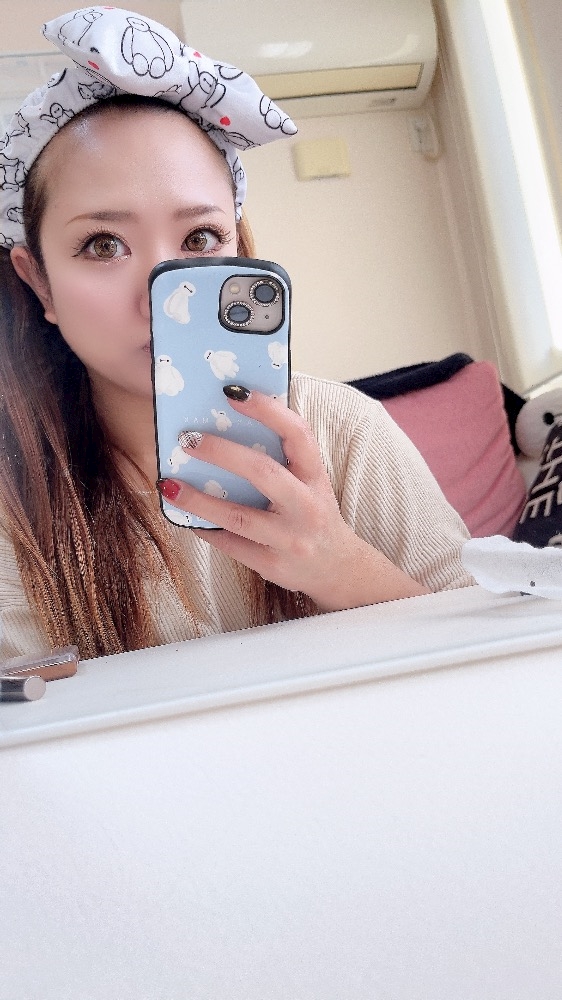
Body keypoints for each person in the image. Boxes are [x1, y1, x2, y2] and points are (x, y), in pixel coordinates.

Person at [0, 6, 473, 662]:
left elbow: (492, 660)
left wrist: (338, 567)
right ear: (40, 283)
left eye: (200, 238)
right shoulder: (13, 497)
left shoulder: (347, 431)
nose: (165, 294)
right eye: (103, 244)